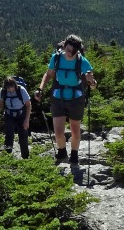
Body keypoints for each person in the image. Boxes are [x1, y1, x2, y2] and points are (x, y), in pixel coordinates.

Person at [36, 34, 97, 165]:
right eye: (68, 50)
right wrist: (40, 89)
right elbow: (48, 74)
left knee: (75, 131)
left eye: (73, 51)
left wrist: (91, 82)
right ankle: (62, 152)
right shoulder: (56, 58)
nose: (70, 54)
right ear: (64, 46)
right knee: (58, 132)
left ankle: (74, 155)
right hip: (58, 97)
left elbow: (93, 86)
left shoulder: (82, 61)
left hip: (76, 98)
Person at [0, 76, 31, 159]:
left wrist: (27, 120)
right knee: (8, 135)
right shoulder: (3, 91)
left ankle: (25, 158)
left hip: (21, 114)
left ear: (14, 85)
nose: (10, 89)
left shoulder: (21, 90)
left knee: (23, 136)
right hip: (9, 114)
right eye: (8, 87)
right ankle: (7, 157)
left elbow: (28, 105)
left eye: (11, 87)